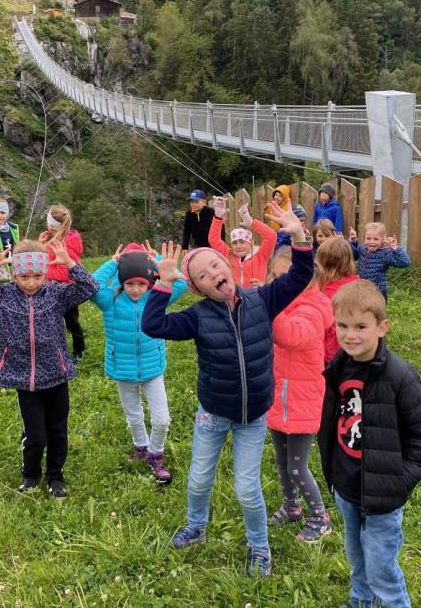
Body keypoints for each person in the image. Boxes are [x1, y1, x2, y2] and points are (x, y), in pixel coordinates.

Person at [141, 203, 313, 578]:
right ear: (199, 287)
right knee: (199, 478)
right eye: (202, 275)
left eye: (215, 266)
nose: (213, 274)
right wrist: (165, 283)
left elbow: (301, 274)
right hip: (213, 414)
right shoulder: (196, 317)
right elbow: (153, 325)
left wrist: (299, 236)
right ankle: (196, 527)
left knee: (247, 489)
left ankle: (259, 547)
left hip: (252, 417)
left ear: (226, 266)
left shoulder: (262, 299)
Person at [318, 280, 421, 608]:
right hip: (346, 484)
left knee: (381, 565)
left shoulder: (400, 376)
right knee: (356, 554)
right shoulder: (338, 369)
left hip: (383, 494)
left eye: (361, 326)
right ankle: (361, 600)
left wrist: (399, 481)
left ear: (382, 327)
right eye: (342, 325)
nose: (350, 335)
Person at [0, 239, 98, 497]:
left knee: (58, 431)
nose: (31, 283)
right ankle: (30, 474)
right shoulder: (2, 297)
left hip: (57, 374)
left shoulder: (57, 294)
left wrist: (70, 264)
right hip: (24, 378)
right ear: (14, 274)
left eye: (37, 276)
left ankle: (55, 477)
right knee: (35, 435)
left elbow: (90, 286)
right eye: (24, 276)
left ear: (45, 273)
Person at [90, 242, 187, 484]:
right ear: (122, 282)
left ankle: (156, 453)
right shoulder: (109, 300)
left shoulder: (157, 297)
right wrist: (114, 263)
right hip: (123, 370)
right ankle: (141, 447)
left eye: (141, 284)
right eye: (130, 283)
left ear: (150, 282)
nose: (135, 289)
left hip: (153, 369)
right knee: (134, 416)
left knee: (162, 419)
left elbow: (183, 283)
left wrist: (155, 260)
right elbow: (91, 285)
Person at [264, 247, 335, 543]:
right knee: (282, 462)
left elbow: (289, 335)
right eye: (276, 277)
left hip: (303, 401)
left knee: (296, 465)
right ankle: (292, 507)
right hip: (277, 397)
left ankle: (320, 518)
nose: (281, 283)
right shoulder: (288, 302)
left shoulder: (315, 308)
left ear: (308, 276)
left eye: (288, 277)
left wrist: (269, 306)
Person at [39, 204, 86, 362]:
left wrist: (45, 275)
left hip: (65, 291)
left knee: (71, 322)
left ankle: (78, 351)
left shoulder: (66, 244)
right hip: (55, 289)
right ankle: (58, 352)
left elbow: (63, 271)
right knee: (57, 322)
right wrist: (42, 244)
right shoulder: (56, 240)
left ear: (51, 225)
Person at [208, 198, 277, 289]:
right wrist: (217, 217)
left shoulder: (261, 255)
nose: (238, 246)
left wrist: (252, 223)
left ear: (251, 242)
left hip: (256, 297)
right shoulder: (228, 254)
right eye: (234, 243)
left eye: (242, 242)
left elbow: (271, 236)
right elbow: (213, 239)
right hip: (234, 297)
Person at [316, 237, 361, 364]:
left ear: (321, 262)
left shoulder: (324, 293)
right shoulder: (357, 285)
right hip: (354, 348)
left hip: (329, 353)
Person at [349, 222, 411, 299]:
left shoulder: (385, 253)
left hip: (377, 291)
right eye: (368, 238)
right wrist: (354, 242)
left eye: (376, 239)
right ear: (364, 238)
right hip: (361, 288)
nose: (371, 242)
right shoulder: (362, 249)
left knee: (376, 310)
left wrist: (396, 248)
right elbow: (354, 255)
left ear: (382, 240)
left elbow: (405, 262)